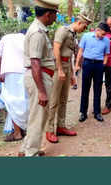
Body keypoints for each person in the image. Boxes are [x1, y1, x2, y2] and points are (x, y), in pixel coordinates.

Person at [18, 0, 59, 157]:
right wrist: (41, 91)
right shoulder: (37, 32)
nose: (56, 18)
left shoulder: (39, 29)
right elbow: (35, 62)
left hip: (40, 77)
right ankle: (31, 153)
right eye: (55, 14)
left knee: (36, 115)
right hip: (39, 78)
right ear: (48, 14)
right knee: (38, 117)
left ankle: (26, 148)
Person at [46, 13, 92, 143]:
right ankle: (49, 130)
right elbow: (56, 48)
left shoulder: (73, 34)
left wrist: (72, 74)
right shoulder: (63, 30)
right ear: (78, 23)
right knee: (54, 100)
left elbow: (70, 55)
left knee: (63, 99)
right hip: (58, 67)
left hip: (67, 67)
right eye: (84, 26)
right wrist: (59, 69)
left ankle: (61, 126)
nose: (85, 29)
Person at [0, 30, 29, 142]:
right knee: (23, 101)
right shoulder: (25, 39)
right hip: (24, 71)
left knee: (12, 101)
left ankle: (17, 132)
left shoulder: (5, 38)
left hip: (9, 73)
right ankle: (23, 128)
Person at [75, 22, 110, 122]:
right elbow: (80, 51)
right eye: (103, 34)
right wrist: (77, 64)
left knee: (98, 89)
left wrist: (103, 65)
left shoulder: (106, 40)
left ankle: (97, 112)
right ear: (97, 30)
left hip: (99, 65)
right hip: (87, 64)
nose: (104, 36)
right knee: (85, 89)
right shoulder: (86, 36)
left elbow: (106, 54)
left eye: (105, 35)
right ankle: (83, 113)